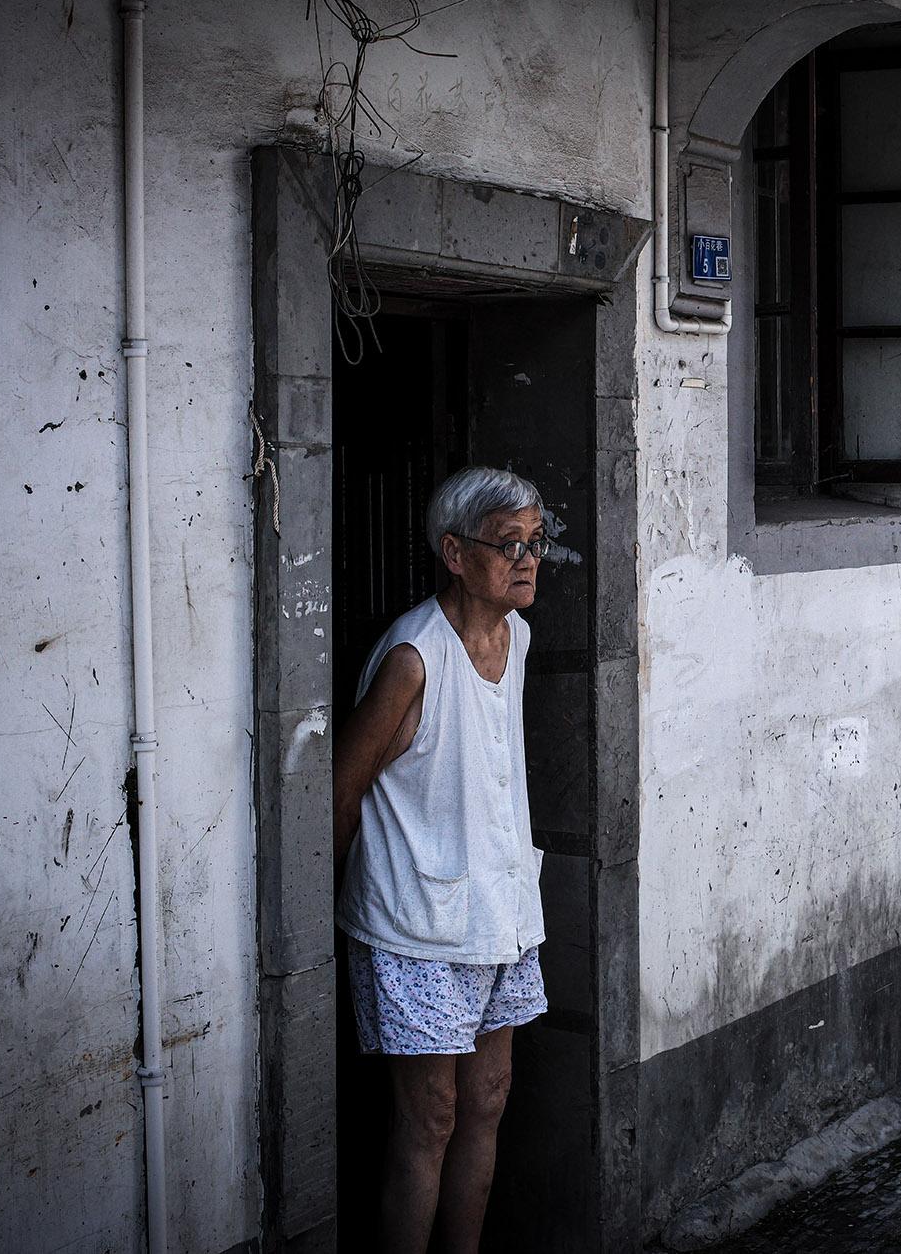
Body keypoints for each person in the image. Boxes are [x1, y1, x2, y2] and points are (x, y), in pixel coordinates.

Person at [333, 465, 550, 1254]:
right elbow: (340, 790)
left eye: (535, 541)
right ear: (455, 553)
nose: (526, 558)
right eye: (508, 544)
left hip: (500, 911)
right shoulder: (413, 658)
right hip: (416, 923)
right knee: (429, 1117)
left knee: (488, 1098)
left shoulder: (515, 635)